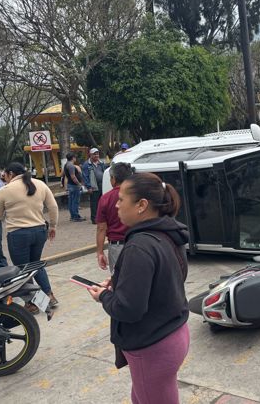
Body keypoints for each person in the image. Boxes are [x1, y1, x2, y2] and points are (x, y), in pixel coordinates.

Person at [88, 173, 190, 404]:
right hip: (173, 332)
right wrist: (124, 281)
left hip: (153, 343)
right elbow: (171, 275)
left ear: (142, 205)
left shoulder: (140, 246)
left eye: (122, 199)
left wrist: (104, 295)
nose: (116, 204)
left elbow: (128, 309)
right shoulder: (168, 232)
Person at [0, 162, 59, 313]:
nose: (4, 178)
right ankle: (49, 295)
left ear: (10, 174)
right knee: (35, 264)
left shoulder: (5, 190)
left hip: (18, 234)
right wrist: (53, 226)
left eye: (5, 175)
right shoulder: (40, 184)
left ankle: (32, 303)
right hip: (39, 231)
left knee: (22, 269)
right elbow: (53, 207)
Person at [95, 162, 133, 273]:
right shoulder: (138, 195)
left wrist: (100, 252)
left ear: (113, 179)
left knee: (119, 279)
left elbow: (101, 228)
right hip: (137, 242)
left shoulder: (105, 199)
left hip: (117, 246)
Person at [82, 148, 107, 224]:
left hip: (102, 185)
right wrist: (88, 187)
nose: (96, 155)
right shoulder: (86, 164)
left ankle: (102, 217)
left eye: (97, 154)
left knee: (103, 202)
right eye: (94, 154)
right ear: (90, 155)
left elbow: (105, 172)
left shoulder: (101, 163)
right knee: (94, 203)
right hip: (93, 187)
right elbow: (85, 176)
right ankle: (94, 219)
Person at [63, 153, 86, 222]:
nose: (75, 159)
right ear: (73, 158)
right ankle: (76, 216)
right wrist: (79, 184)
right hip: (74, 185)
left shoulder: (66, 164)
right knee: (75, 201)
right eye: (75, 157)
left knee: (71, 201)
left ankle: (72, 216)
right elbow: (73, 176)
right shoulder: (71, 166)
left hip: (70, 185)